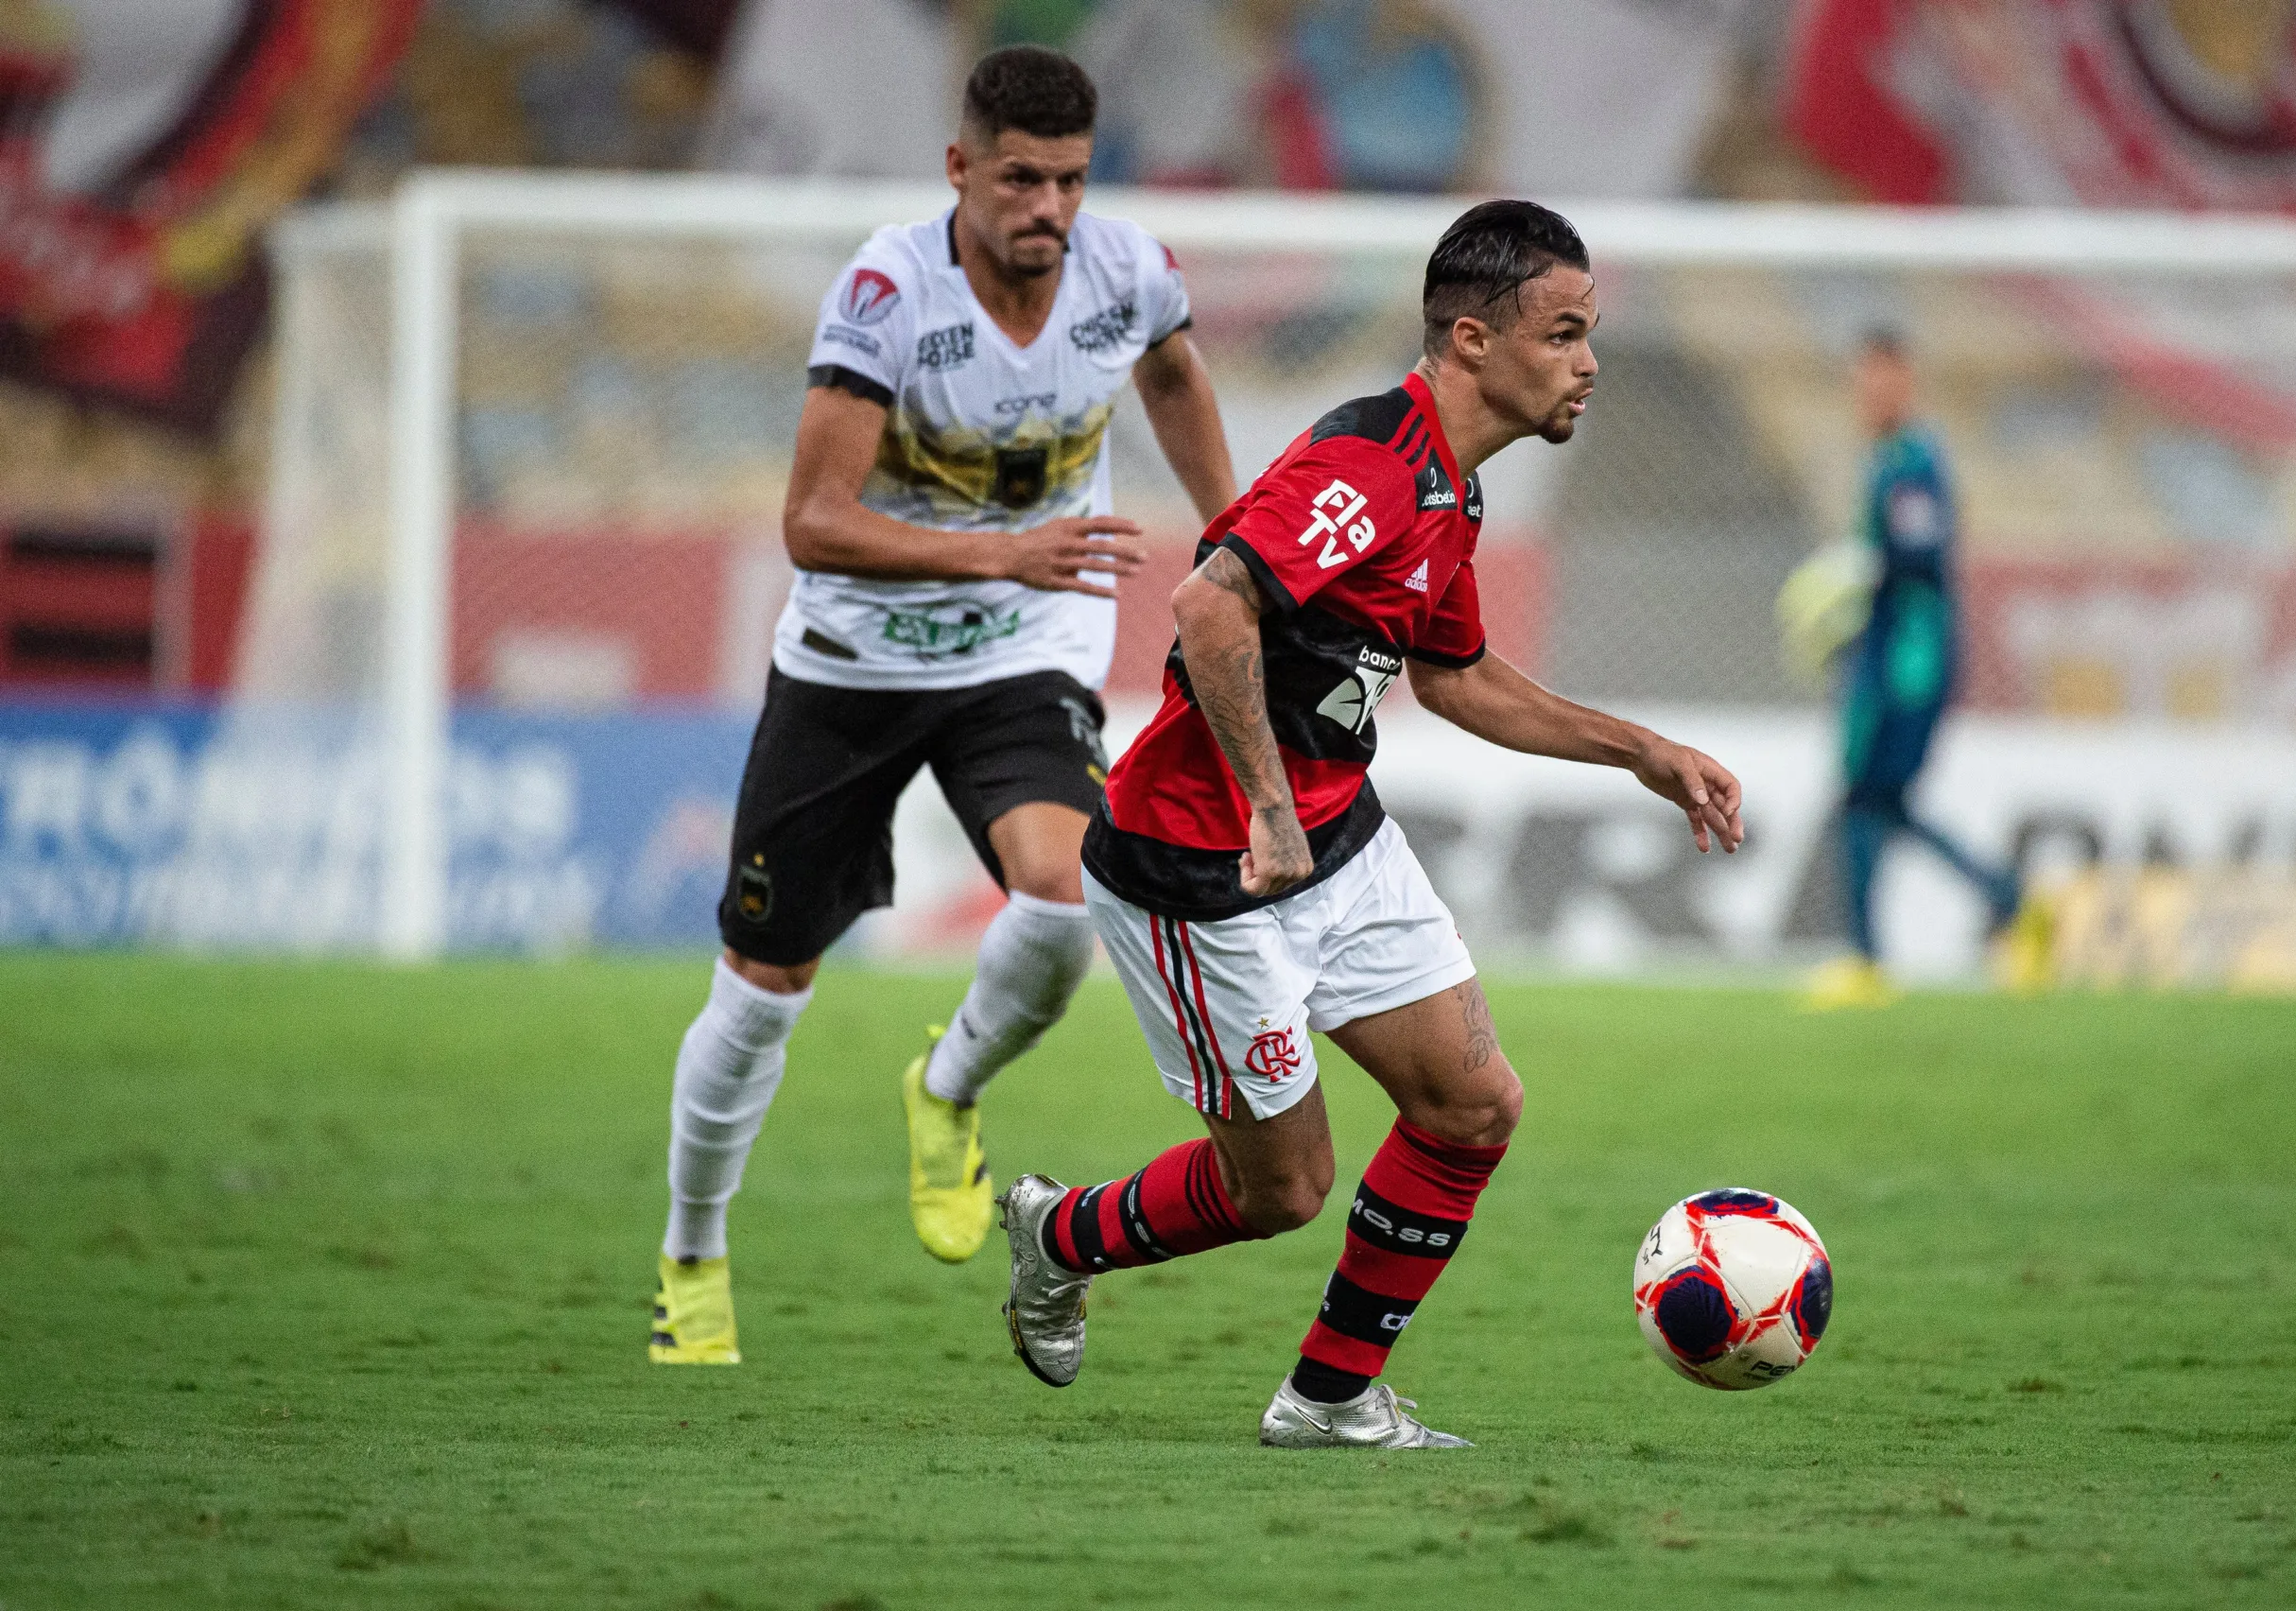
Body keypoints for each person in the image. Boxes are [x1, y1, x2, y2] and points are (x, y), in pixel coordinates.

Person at [994, 200, 1746, 1447]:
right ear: (1471, 340)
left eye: (1592, 332)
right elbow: (1208, 609)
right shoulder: (1370, 470)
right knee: (1282, 1189)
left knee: (1474, 1107)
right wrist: (1271, 813)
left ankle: (1328, 1399)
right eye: (1563, 333)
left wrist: (1642, 752)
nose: (1589, 361)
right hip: (1206, 869)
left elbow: (1455, 676)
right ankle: (1057, 1233)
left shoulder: (1452, 491)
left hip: (1340, 847)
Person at [649, 45, 1238, 1364]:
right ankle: (692, 1253)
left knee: (1064, 891)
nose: (1049, 207)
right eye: (1021, 178)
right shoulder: (886, 293)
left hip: (1022, 653)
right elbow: (812, 520)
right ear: (961, 170)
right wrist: (997, 550)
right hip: (853, 668)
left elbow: (1172, 374)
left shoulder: (1128, 272)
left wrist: (1233, 537)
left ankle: (947, 1086)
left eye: (1071, 181)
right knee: (760, 990)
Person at [1800, 330, 2046, 1010]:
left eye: (1879, 378)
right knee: (1883, 804)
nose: (1867, 393)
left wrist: (1848, 590)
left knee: (1861, 800)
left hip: (1904, 668)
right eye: (1860, 379)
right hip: (1892, 662)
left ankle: (1870, 957)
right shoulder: (1892, 460)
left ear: (1905, 381)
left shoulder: (1911, 464)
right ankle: (2006, 903)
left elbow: (1914, 562)